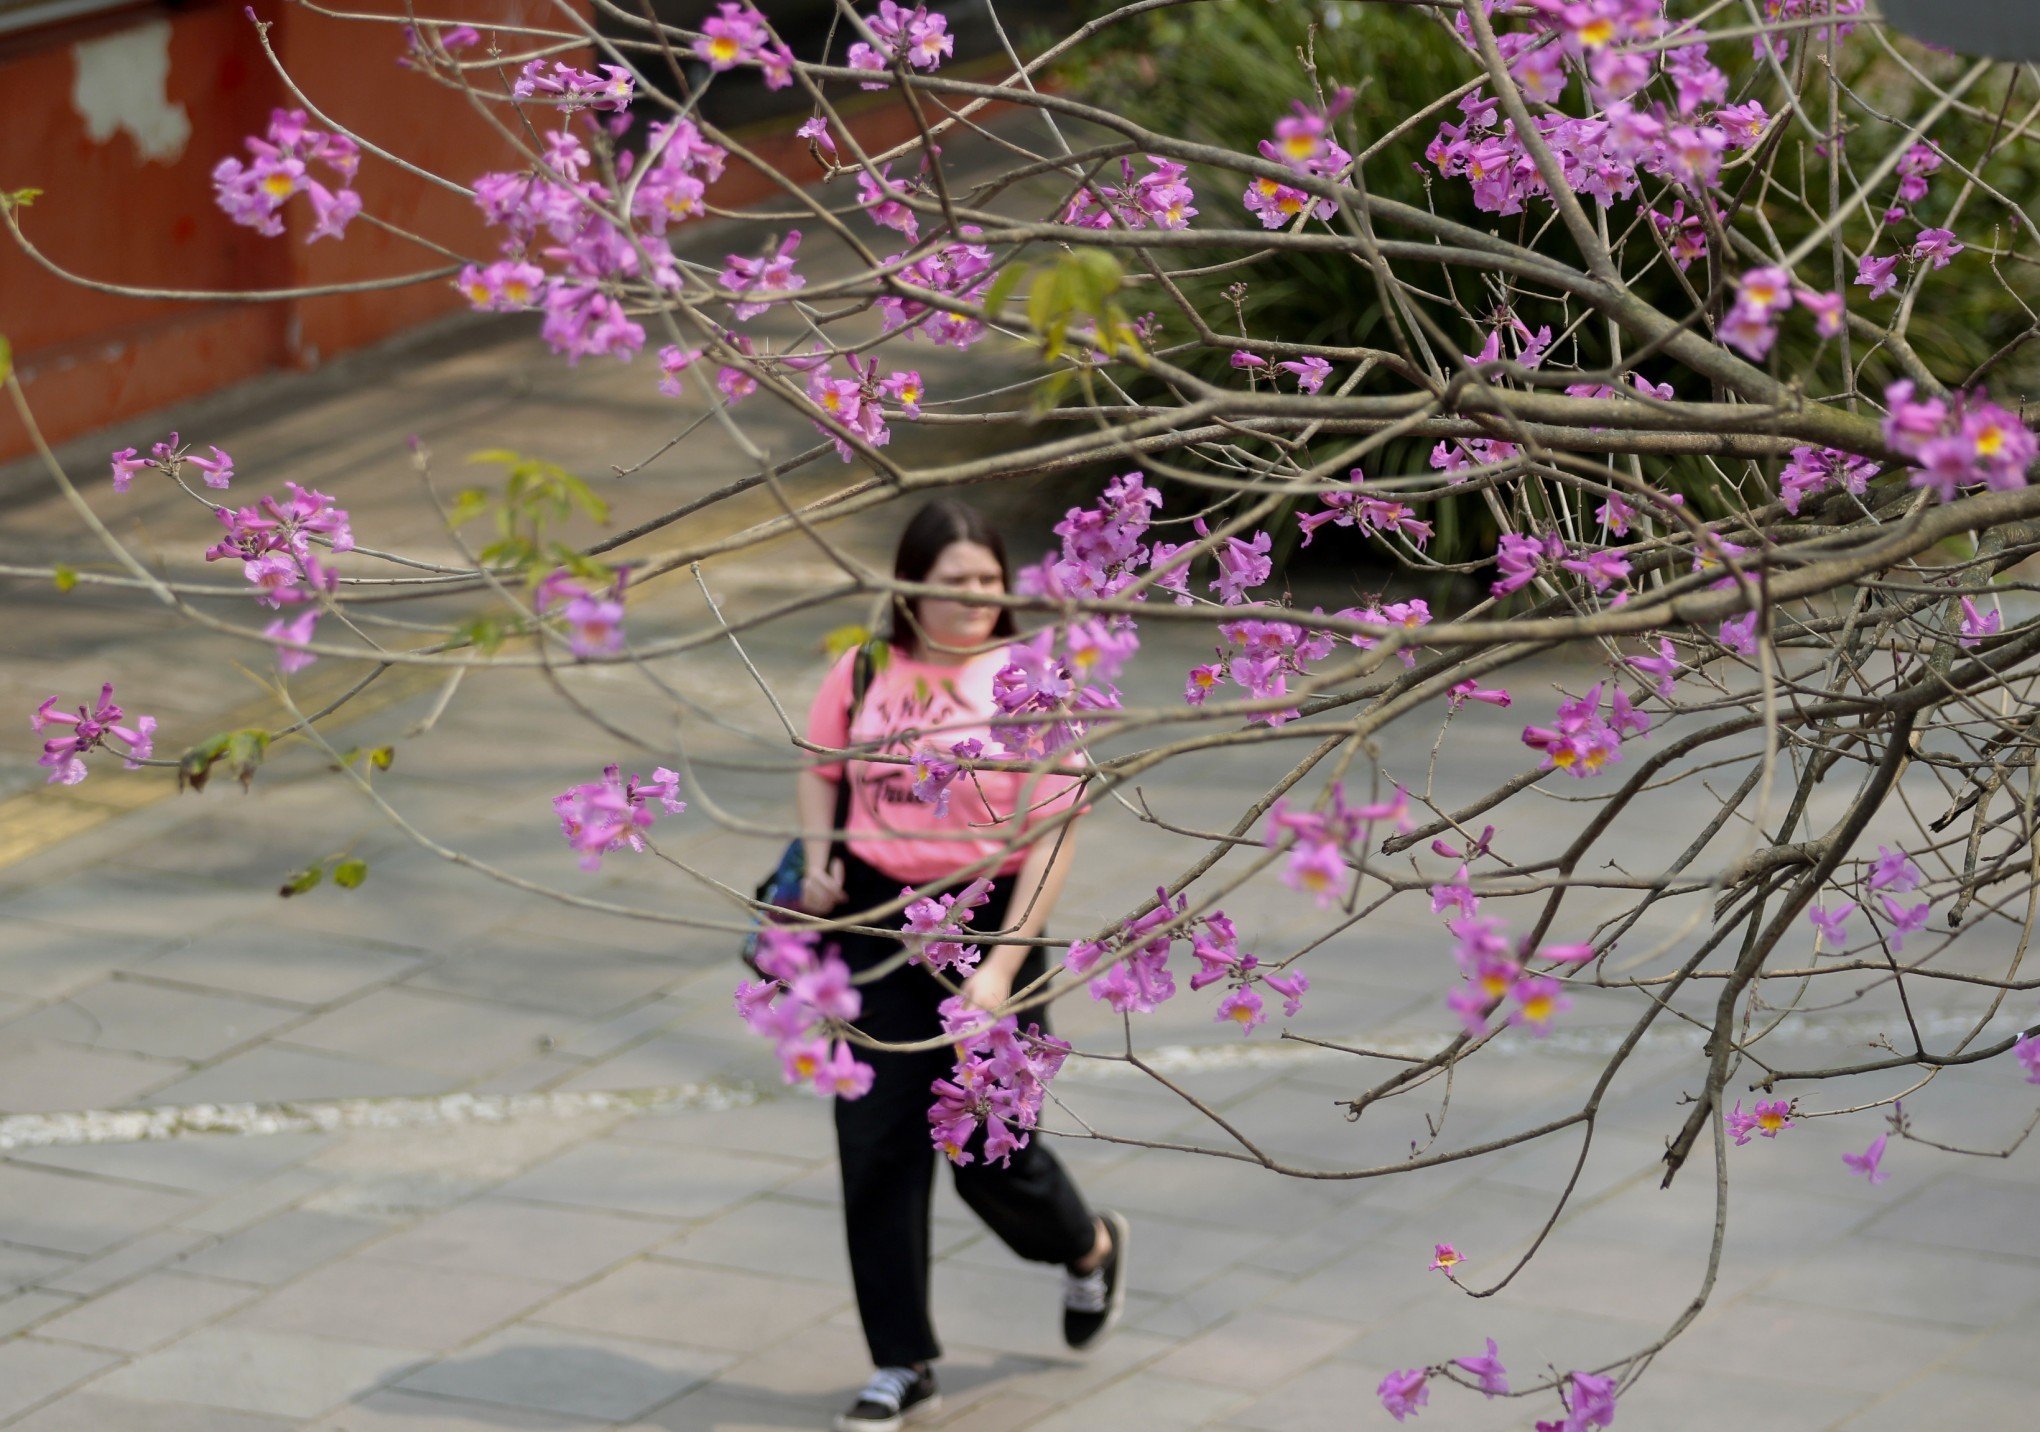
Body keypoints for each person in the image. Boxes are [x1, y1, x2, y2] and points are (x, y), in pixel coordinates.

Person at [799, 498, 1129, 1432]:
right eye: (955, 584)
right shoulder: (866, 669)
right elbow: (822, 765)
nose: (976, 597)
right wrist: (821, 857)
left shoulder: (1030, 683)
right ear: (911, 585)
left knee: (995, 1154)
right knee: (874, 1148)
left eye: (989, 580)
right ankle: (900, 1362)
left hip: (992, 925)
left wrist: (1001, 968)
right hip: (875, 926)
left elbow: (1058, 832)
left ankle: (1089, 1247)